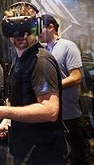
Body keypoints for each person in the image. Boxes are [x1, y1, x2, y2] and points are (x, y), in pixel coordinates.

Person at [0, 1, 66, 164]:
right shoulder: (20, 60)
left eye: (27, 28)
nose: (21, 35)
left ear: (37, 28)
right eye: (14, 28)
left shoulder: (41, 61)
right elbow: (22, 100)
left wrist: (3, 112)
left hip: (42, 154)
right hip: (27, 150)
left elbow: (50, 111)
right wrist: (6, 122)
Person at [39, 14, 91, 165]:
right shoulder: (43, 51)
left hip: (69, 113)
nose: (37, 33)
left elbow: (76, 77)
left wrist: (52, 87)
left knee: (79, 156)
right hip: (50, 114)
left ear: (51, 27)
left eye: (40, 28)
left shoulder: (68, 46)